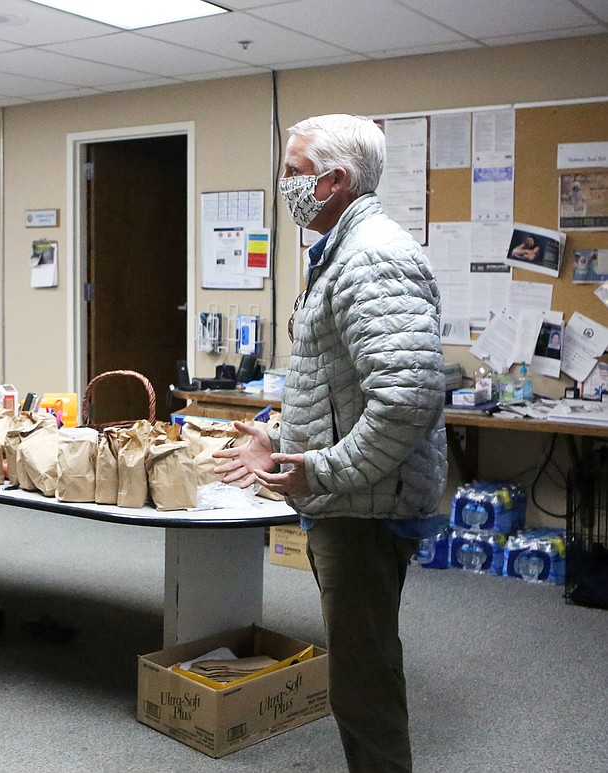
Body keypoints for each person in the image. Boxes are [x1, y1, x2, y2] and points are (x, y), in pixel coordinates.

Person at [214, 114, 446, 773]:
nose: (284, 185)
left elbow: (405, 400)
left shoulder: (371, 256)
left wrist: (317, 468)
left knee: (362, 680)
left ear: (333, 180)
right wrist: (285, 436)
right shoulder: (343, 251)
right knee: (360, 668)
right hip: (355, 497)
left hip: (364, 509)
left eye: (292, 173)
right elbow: (341, 384)